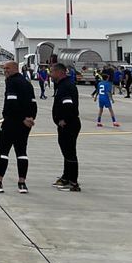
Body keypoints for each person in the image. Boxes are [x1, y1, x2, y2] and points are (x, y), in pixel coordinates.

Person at [0, 61, 36, 194]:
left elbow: (12, 104)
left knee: (3, 151)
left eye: (7, 68)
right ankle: (22, 183)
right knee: (22, 152)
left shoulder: (12, 82)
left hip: (12, 123)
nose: (5, 71)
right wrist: (30, 118)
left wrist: (22, 119)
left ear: (14, 69)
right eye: (4, 68)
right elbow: (33, 103)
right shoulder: (27, 83)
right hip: (25, 126)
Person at [50, 62, 81, 192]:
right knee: (66, 152)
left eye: (52, 72)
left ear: (59, 72)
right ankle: (66, 177)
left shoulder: (66, 86)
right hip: (66, 124)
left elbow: (68, 105)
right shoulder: (61, 85)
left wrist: (64, 120)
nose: (50, 75)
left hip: (69, 124)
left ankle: (73, 182)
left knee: (70, 153)